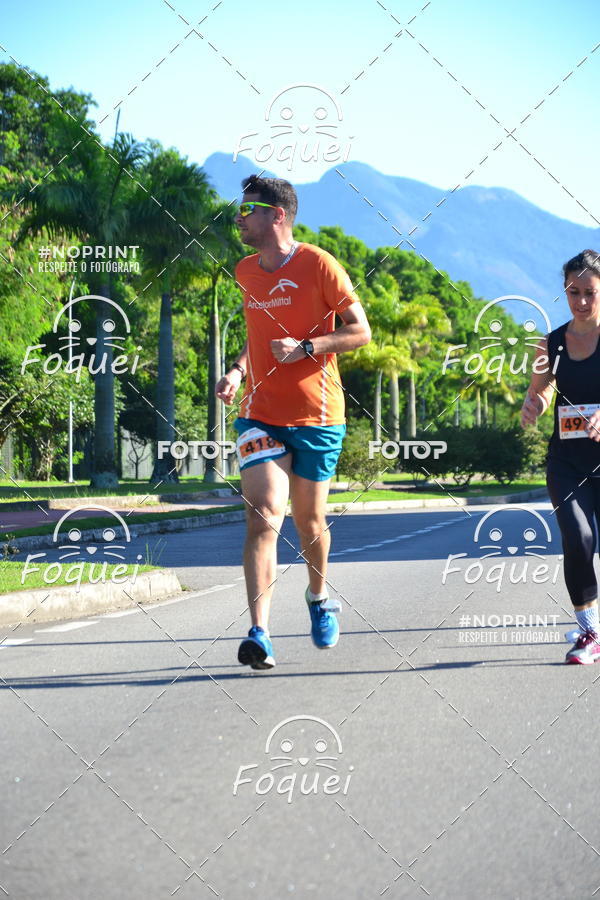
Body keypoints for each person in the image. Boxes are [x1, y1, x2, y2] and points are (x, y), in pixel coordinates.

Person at [215, 175, 371, 670]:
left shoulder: (319, 265)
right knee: (263, 512)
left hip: (319, 415)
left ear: (276, 215)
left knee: (309, 522)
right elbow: (257, 334)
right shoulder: (245, 271)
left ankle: (319, 597)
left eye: (248, 210)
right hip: (259, 413)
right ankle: (259, 632)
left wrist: (307, 348)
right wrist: (239, 370)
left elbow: (360, 332)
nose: (239, 218)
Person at [521, 249, 600, 664]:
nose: (581, 301)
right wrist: (532, 405)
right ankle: (588, 632)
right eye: (573, 292)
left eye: (589, 292)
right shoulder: (551, 343)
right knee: (579, 537)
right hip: (567, 462)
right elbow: (540, 389)